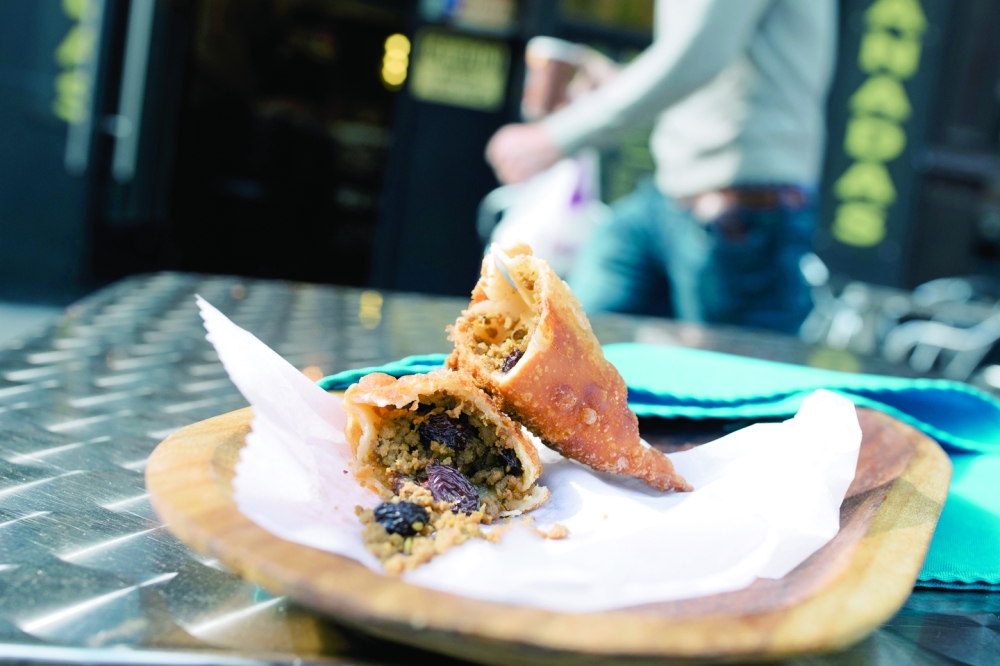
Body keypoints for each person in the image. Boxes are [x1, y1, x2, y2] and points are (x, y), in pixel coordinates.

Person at [485, 0, 837, 334]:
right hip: (671, 197)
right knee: (569, 347)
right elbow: (707, 63)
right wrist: (617, 83)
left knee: (728, 384)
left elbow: (696, 56)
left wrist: (556, 137)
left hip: (742, 212)